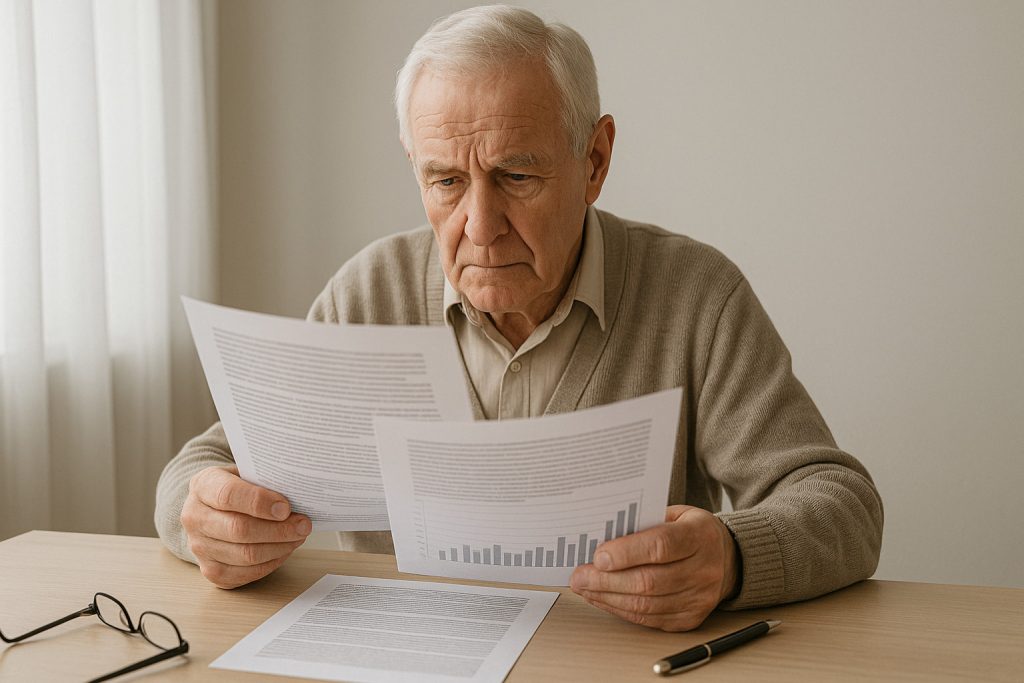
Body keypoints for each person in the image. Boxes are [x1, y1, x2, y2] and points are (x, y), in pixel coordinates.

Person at [156, 5, 882, 632]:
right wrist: (208, 519)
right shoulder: (368, 294)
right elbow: (201, 467)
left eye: (516, 177)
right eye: (445, 181)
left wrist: (731, 557)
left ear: (594, 160)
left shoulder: (696, 297)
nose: (479, 225)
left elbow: (844, 506)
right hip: (409, 658)